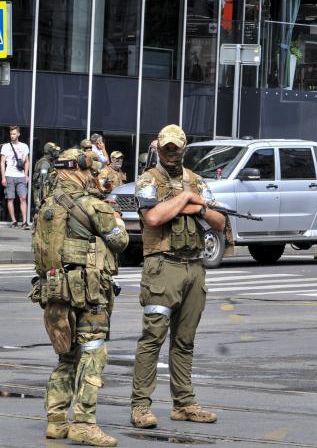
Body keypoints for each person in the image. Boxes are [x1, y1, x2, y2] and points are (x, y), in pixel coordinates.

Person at [130, 125, 225, 429]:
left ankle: (184, 403)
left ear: (184, 149)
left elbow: (219, 221)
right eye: (166, 148)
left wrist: (195, 207)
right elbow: (153, 217)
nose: (171, 154)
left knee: (185, 340)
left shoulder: (196, 182)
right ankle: (140, 406)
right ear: (158, 147)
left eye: (176, 149)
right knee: (152, 338)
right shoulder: (148, 180)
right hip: (163, 266)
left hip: (194, 266)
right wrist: (185, 199)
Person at [32, 148, 128, 446]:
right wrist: (117, 218)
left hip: (55, 291)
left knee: (67, 355)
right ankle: (84, 423)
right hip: (87, 292)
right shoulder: (90, 204)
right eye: (89, 171)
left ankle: (57, 420)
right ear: (78, 170)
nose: (92, 176)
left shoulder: (47, 206)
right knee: (93, 352)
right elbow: (120, 240)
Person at [1, 125, 30, 228]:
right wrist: (3, 177)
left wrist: (26, 175)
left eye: (14, 134)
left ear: (18, 134)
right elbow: (2, 162)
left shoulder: (24, 146)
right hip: (9, 175)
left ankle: (25, 222)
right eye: (11, 134)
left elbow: (27, 161)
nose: (12, 136)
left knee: (23, 198)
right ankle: (14, 221)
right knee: (10, 198)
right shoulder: (6, 146)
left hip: (21, 175)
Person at [33, 141, 61, 213]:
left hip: (46, 192)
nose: (56, 152)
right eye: (54, 150)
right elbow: (42, 181)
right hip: (42, 194)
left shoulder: (50, 161)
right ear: (49, 151)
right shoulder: (45, 163)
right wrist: (40, 199)